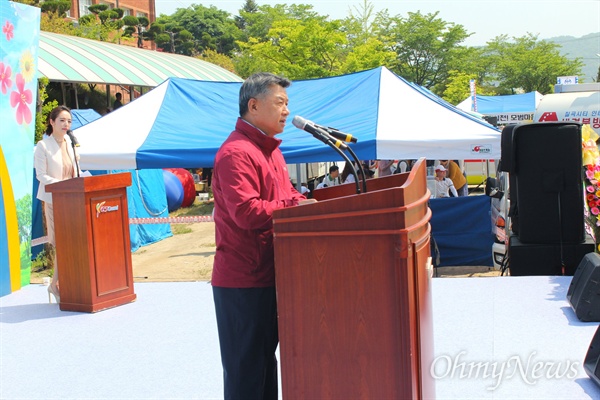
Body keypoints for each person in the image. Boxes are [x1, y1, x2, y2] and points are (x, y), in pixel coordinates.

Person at [211, 72, 311, 399]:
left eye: (287, 104)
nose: (286, 111)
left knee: (265, 366)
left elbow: (288, 194)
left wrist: (305, 204)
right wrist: (295, 206)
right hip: (244, 280)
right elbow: (247, 212)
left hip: (271, 273)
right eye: (279, 103)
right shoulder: (236, 152)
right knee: (246, 373)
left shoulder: (271, 150)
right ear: (253, 106)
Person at [33, 105, 80, 304]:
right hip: (53, 200)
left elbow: (75, 171)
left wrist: (77, 182)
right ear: (52, 122)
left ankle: (59, 284)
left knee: (71, 242)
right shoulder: (42, 147)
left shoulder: (70, 142)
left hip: (72, 200)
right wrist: (64, 185)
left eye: (69, 121)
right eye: (61, 120)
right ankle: (56, 284)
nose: (66, 124)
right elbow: (41, 176)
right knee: (61, 243)